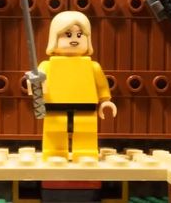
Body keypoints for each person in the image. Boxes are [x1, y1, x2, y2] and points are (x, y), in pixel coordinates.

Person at [35, 11, 116, 161]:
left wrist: (105, 100)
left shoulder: (93, 66)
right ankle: (54, 152)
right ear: (54, 38)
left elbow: (101, 85)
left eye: (79, 35)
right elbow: (37, 81)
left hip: (86, 107)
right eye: (67, 34)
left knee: (86, 130)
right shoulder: (46, 66)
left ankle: (85, 152)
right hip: (54, 107)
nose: (74, 39)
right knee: (54, 131)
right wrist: (34, 82)